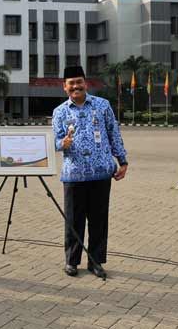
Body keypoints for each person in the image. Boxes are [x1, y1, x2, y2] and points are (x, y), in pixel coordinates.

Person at [52, 66, 128, 278]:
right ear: (64, 87)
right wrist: (62, 143)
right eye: (71, 83)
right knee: (73, 220)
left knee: (98, 220)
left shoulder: (102, 105)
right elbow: (55, 141)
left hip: (101, 173)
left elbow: (114, 133)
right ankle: (72, 261)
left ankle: (95, 262)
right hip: (74, 174)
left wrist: (122, 160)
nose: (76, 86)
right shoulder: (59, 112)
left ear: (86, 83)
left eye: (79, 82)